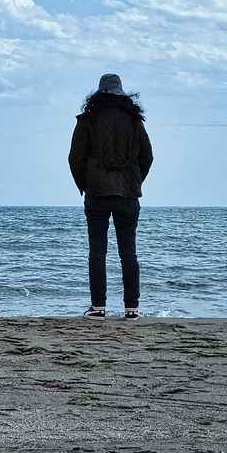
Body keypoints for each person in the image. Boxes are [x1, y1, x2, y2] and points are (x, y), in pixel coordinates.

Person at [68, 73, 153, 320]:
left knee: (97, 251)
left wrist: (85, 184)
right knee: (129, 252)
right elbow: (147, 157)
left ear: (99, 93)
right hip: (127, 194)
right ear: (122, 94)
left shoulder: (88, 119)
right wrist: (135, 181)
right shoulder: (135, 121)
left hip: (96, 194)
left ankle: (98, 308)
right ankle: (132, 310)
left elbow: (75, 158)